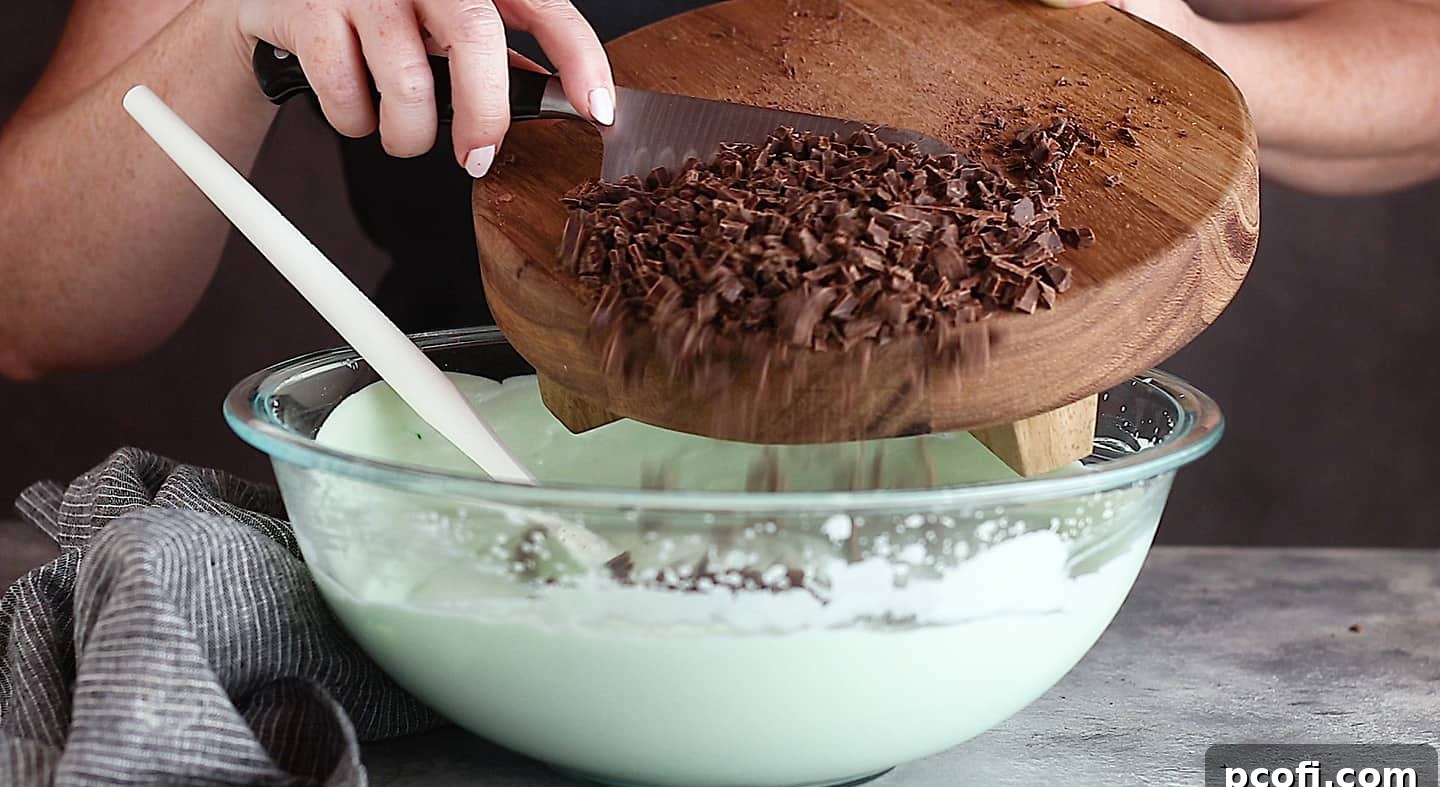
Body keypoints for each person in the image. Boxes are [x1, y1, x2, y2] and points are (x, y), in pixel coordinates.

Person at [2, 0, 1438, 383]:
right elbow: (33, 308)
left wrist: (1177, 57)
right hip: (499, 476)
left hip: (1000, 495)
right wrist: (224, 27)